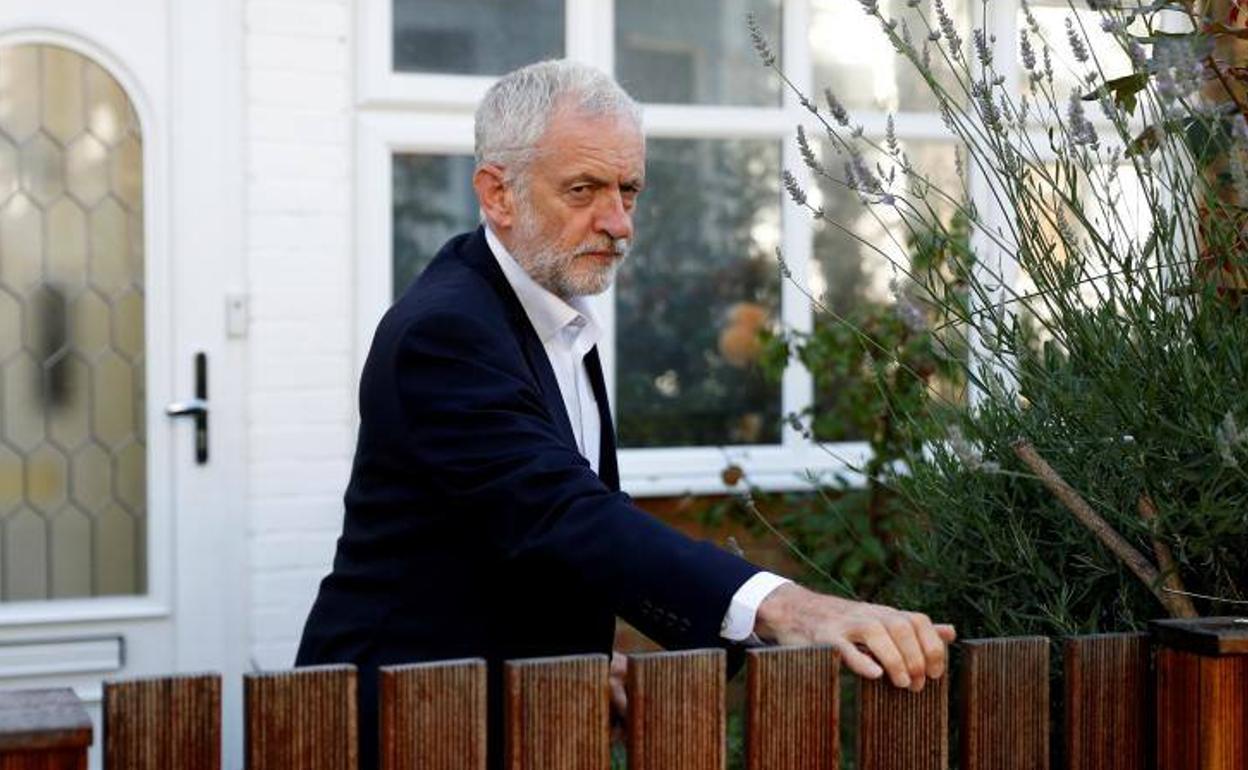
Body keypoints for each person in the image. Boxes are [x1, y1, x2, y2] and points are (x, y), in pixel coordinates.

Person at [296, 59, 955, 769]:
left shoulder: (550, 310)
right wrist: (790, 607)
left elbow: (523, 536)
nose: (617, 224)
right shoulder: (447, 332)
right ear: (497, 194)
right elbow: (559, 512)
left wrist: (579, 652)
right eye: (583, 190)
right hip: (399, 725)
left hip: (498, 710)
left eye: (629, 191)